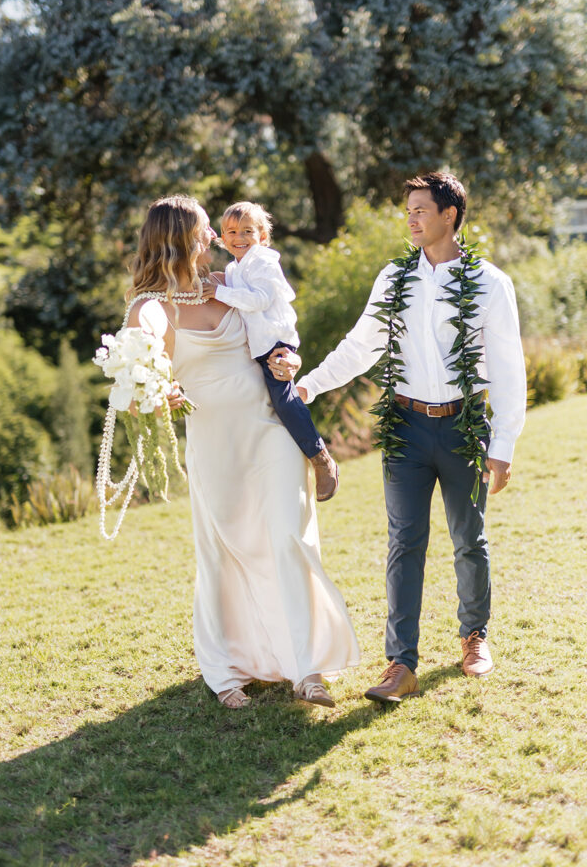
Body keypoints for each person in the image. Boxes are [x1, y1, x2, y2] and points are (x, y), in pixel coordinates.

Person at [296, 172, 526, 703]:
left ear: (450, 214)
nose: (412, 218)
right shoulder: (393, 279)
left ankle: (474, 636)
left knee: (469, 538)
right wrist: (309, 385)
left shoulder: (491, 283)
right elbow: (360, 347)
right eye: (409, 211)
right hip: (405, 429)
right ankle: (401, 664)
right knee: (405, 543)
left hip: (466, 427)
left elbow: (511, 370)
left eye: (421, 209)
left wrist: (504, 446)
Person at [126, 195, 360, 709]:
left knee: (286, 538)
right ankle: (228, 666)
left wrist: (289, 359)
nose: (214, 238)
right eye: (207, 230)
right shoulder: (151, 307)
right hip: (215, 443)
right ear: (182, 237)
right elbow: (138, 370)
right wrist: (155, 389)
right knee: (225, 551)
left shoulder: (233, 283)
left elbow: (276, 323)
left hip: (270, 430)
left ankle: (308, 668)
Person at [200, 201, 338, 501]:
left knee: (284, 399)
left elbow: (261, 299)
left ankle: (320, 457)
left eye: (248, 231)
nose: (239, 238)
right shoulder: (236, 267)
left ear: (263, 236)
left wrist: (220, 293)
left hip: (275, 341)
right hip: (259, 346)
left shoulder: (262, 261)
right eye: (231, 232)